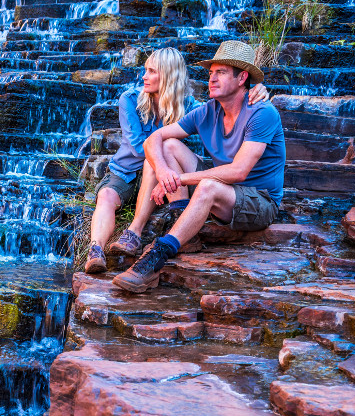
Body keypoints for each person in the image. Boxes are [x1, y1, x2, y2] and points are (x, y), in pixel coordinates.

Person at [112, 40, 286, 293]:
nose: (212, 79)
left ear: (242, 78)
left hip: (259, 200)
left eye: (221, 73)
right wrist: (163, 172)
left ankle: (156, 258)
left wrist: (179, 180)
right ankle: (184, 227)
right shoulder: (208, 111)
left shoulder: (262, 113)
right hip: (222, 189)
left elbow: (238, 172)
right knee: (170, 144)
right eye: (211, 72)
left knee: (207, 187)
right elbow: (153, 139)